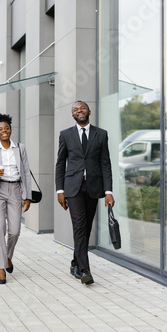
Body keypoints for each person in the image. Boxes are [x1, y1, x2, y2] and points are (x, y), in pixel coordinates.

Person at [55, 100, 115, 285]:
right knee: (80, 226)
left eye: (82, 108)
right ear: (72, 114)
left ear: (89, 111)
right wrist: (60, 190)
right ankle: (84, 269)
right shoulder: (66, 135)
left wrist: (108, 191)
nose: (79, 111)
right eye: (75, 109)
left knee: (86, 227)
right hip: (73, 188)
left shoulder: (101, 134)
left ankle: (74, 263)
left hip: (94, 187)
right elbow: (60, 163)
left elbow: (105, 163)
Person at [0, 113, 32, 284]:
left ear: (11, 129)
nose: (4, 131)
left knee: (15, 230)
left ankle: (8, 256)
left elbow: (26, 173)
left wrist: (27, 196)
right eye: (0, 129)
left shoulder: (20, 148)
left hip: (16, 189)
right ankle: (1, 268)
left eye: (6, 128)